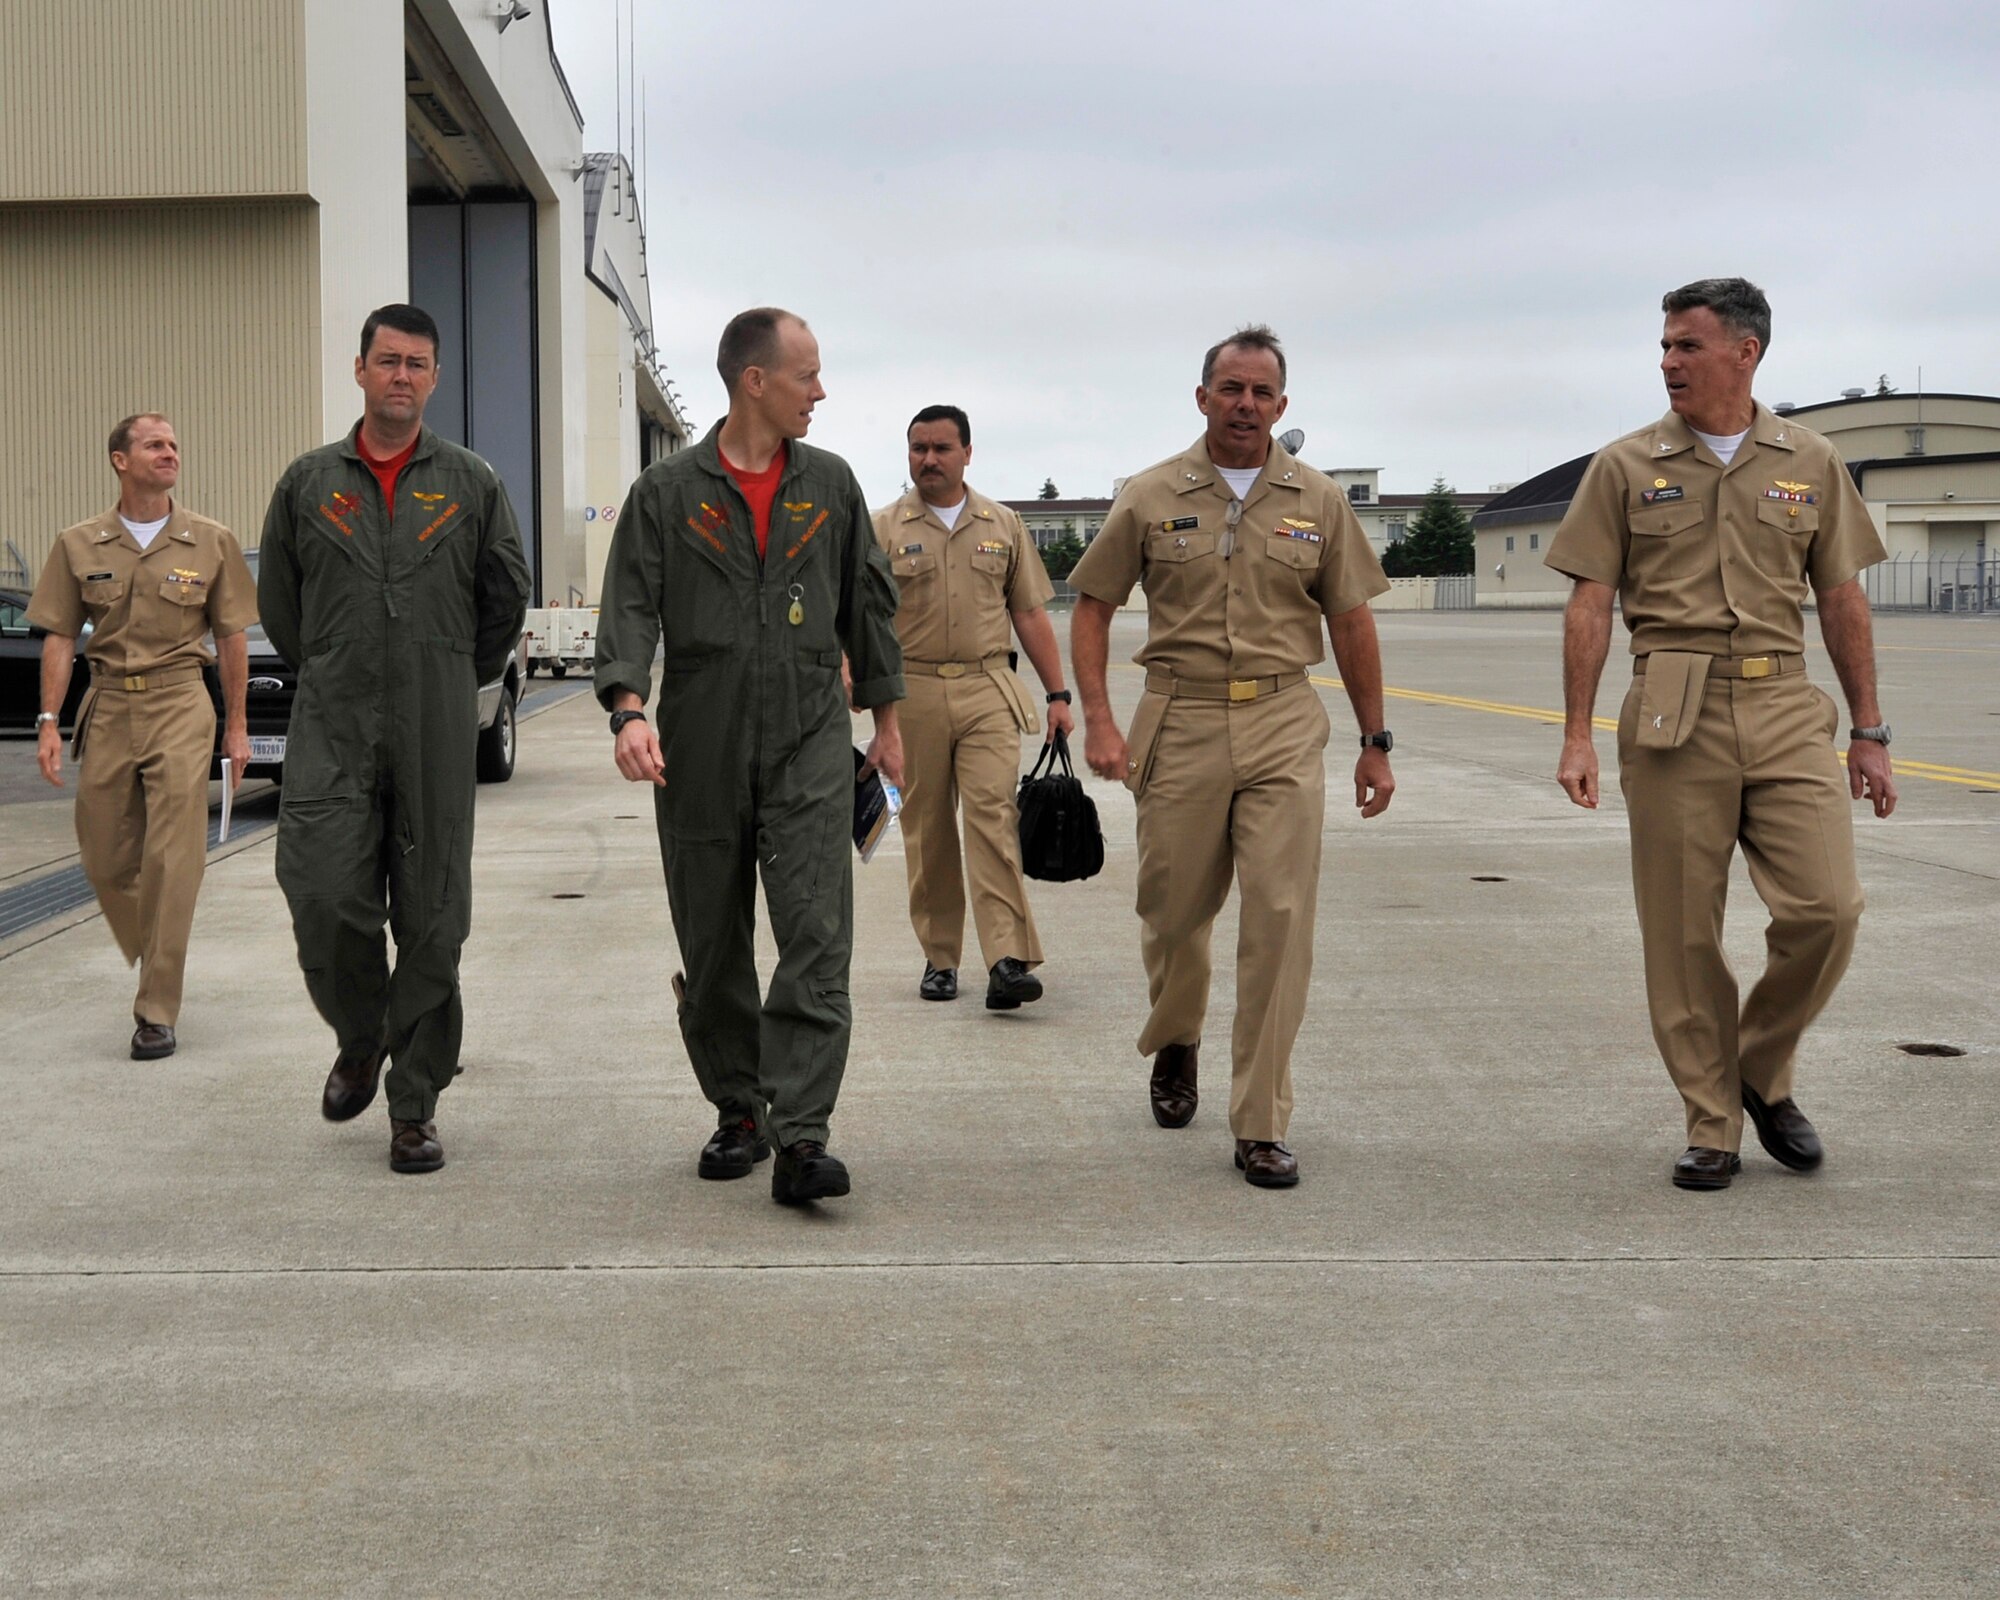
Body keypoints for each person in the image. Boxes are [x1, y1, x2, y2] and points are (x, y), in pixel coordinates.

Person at [1548, 277, 1896, 1192]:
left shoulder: (1811, 460)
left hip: (1785, 701)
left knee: (1828, 910)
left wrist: (1869, 729)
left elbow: (1843, 599)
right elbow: (1589, 603)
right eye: (1664, 346)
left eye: (1687, 346)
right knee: (1682, 931)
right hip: (1670, 702)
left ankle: (1757, 1067)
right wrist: (1577, 734)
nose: (1668, 362)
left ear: (1746, 352)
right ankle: (1712, 1121)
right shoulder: (1623, 466)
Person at [1069, 324, 1394, 1189]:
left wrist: (1375, 741)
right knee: (1174, 914)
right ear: (1203, 396)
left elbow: (1352, 620)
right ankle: (1177, 1034)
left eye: (1261, 392)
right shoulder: (1148, 495)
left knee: (1280, 920)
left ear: (1281, 406)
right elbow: (1093, 606)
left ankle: (1260, 1119)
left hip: (1283, 717)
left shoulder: (1319, 500)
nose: (1245, 404)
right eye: (1230, 388)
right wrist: (1099, 720)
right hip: (1177, 720)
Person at [595, 307, 904, 1206]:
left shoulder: (833, 486)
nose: (820, 391)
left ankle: (804, 1133)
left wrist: (886, 725)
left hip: (810, 736)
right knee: (713, 934)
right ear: (754, 381)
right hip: (700, 739)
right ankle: (740, 1109)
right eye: (806, 374)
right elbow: (629, 609)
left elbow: (868, 608)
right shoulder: (667, 492)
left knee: (816, 931)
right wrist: (628, 710)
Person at [257, 304, 531, 1175]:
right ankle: (361, 1033)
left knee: (434, 919)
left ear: (435, 377)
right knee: (323, 895)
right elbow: (284, 611)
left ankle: (414, 1105)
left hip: (436, 727)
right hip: (333, 724)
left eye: (417, 363)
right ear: (360, 369)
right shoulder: (307, 483)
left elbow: (505, 599)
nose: (402, 375)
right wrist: (342, 665)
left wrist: (445, 674)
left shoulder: (471, 483)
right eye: (387, 360)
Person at [28, 414, 255, 1059]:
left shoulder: (210, 541)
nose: (170, 454)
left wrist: (235, 727)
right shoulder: (79, 543)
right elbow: (60, 636)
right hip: (106, 705)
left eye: (175, 445)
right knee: (102, 851)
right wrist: (48, 721)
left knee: (171, 856)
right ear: (119, 461)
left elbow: (233, 636)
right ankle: (150, 941)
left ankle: (157, 1007)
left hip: (182, 700)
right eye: (155, 445)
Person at [872, 405, 1072, 1010]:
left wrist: (1059, 695)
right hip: (913, 693)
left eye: (940, 448)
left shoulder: (1003, 524)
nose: (928, 459)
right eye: (918, 448)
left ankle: (1007, 959)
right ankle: (940, 957)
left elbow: (1030, 613)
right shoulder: (884, 528)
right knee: (925, 827)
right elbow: (862, 620)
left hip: (989, 688)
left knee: (993, 818)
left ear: (967, 453)